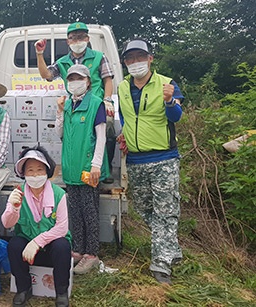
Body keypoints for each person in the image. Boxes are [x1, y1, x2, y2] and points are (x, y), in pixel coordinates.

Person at [117, 38, 183, 285]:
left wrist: (169, 101)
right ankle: (171, 248)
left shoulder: (166, 83)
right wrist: (124, 133)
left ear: (150, 58)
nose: (135, 63)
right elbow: (124, 115)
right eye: (130, 59)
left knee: (166, 211)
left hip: (163, 158)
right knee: (145, 208)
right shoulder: (123, 87)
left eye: (139, 57)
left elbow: (177, 116)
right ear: (125, 62)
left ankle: (161, 263)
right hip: (135, 159)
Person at [35, 21, 116, 183]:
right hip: (75, 105)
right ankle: (75, 170)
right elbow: (46, 75)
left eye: (81, 37)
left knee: (107, 131)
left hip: (96, 104)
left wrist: (107, 100)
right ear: (68, 41)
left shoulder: (99, 57)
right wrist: (39, 54)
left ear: (87, 38)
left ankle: (105, 170)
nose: (77, 41)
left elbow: (107, 80)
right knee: (72, 137)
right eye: (73, 38)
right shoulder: (63, 61)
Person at [55, 64, 109, 274]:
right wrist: (59, 112)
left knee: (90, 212)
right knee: (74, 212)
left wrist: (96, 164)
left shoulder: (96, 104)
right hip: (71, 168)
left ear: (88, 82)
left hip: (88, 169)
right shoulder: (68, 105)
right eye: (71, 79)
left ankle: (92, 254)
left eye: (78, 78)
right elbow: (60, 133)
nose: (74, 82)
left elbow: (102, 137)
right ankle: (77, 249)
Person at [2, 146, 71, 307]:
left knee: (62, 245)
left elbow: (62, 228)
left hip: (50, 250)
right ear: (23, 174)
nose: (35, 175)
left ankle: (61, 291)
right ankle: (23, 289)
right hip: (27, 253)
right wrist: (13, 207)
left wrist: (37, 242)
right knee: (14, 244)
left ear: (47, 171)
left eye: (39, 170)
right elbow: (6, 223)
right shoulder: (18, 193)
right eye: (30, 170)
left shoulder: (58, 194)